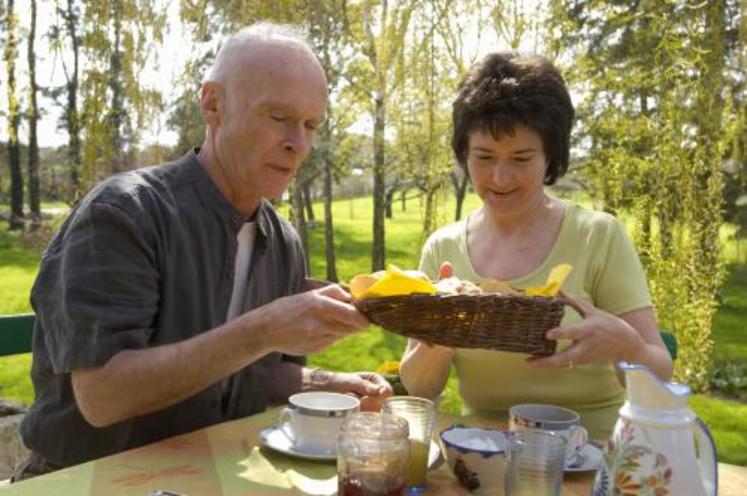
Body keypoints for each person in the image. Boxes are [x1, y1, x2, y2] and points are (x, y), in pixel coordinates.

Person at [13, 23, 391, 481]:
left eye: (311, 124)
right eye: (278, 116)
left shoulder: (284, 241)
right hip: (87, 481)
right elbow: (102, 397)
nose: (299, 143)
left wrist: (330, 383)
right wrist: (263, 329)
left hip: (210, 477)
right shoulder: (124, 214)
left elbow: (254, 376)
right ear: (213, 104)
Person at [399, 52, 673, 440]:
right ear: (464, 154)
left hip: (591, 456)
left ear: (550, 157)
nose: (500, 177)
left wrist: (628, 348)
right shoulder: (443, 249)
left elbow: (660, 376)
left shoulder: (598, 236)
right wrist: (441, 336)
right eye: (484, 157)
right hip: (483, 454)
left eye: (521, 158)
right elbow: (419, 389)